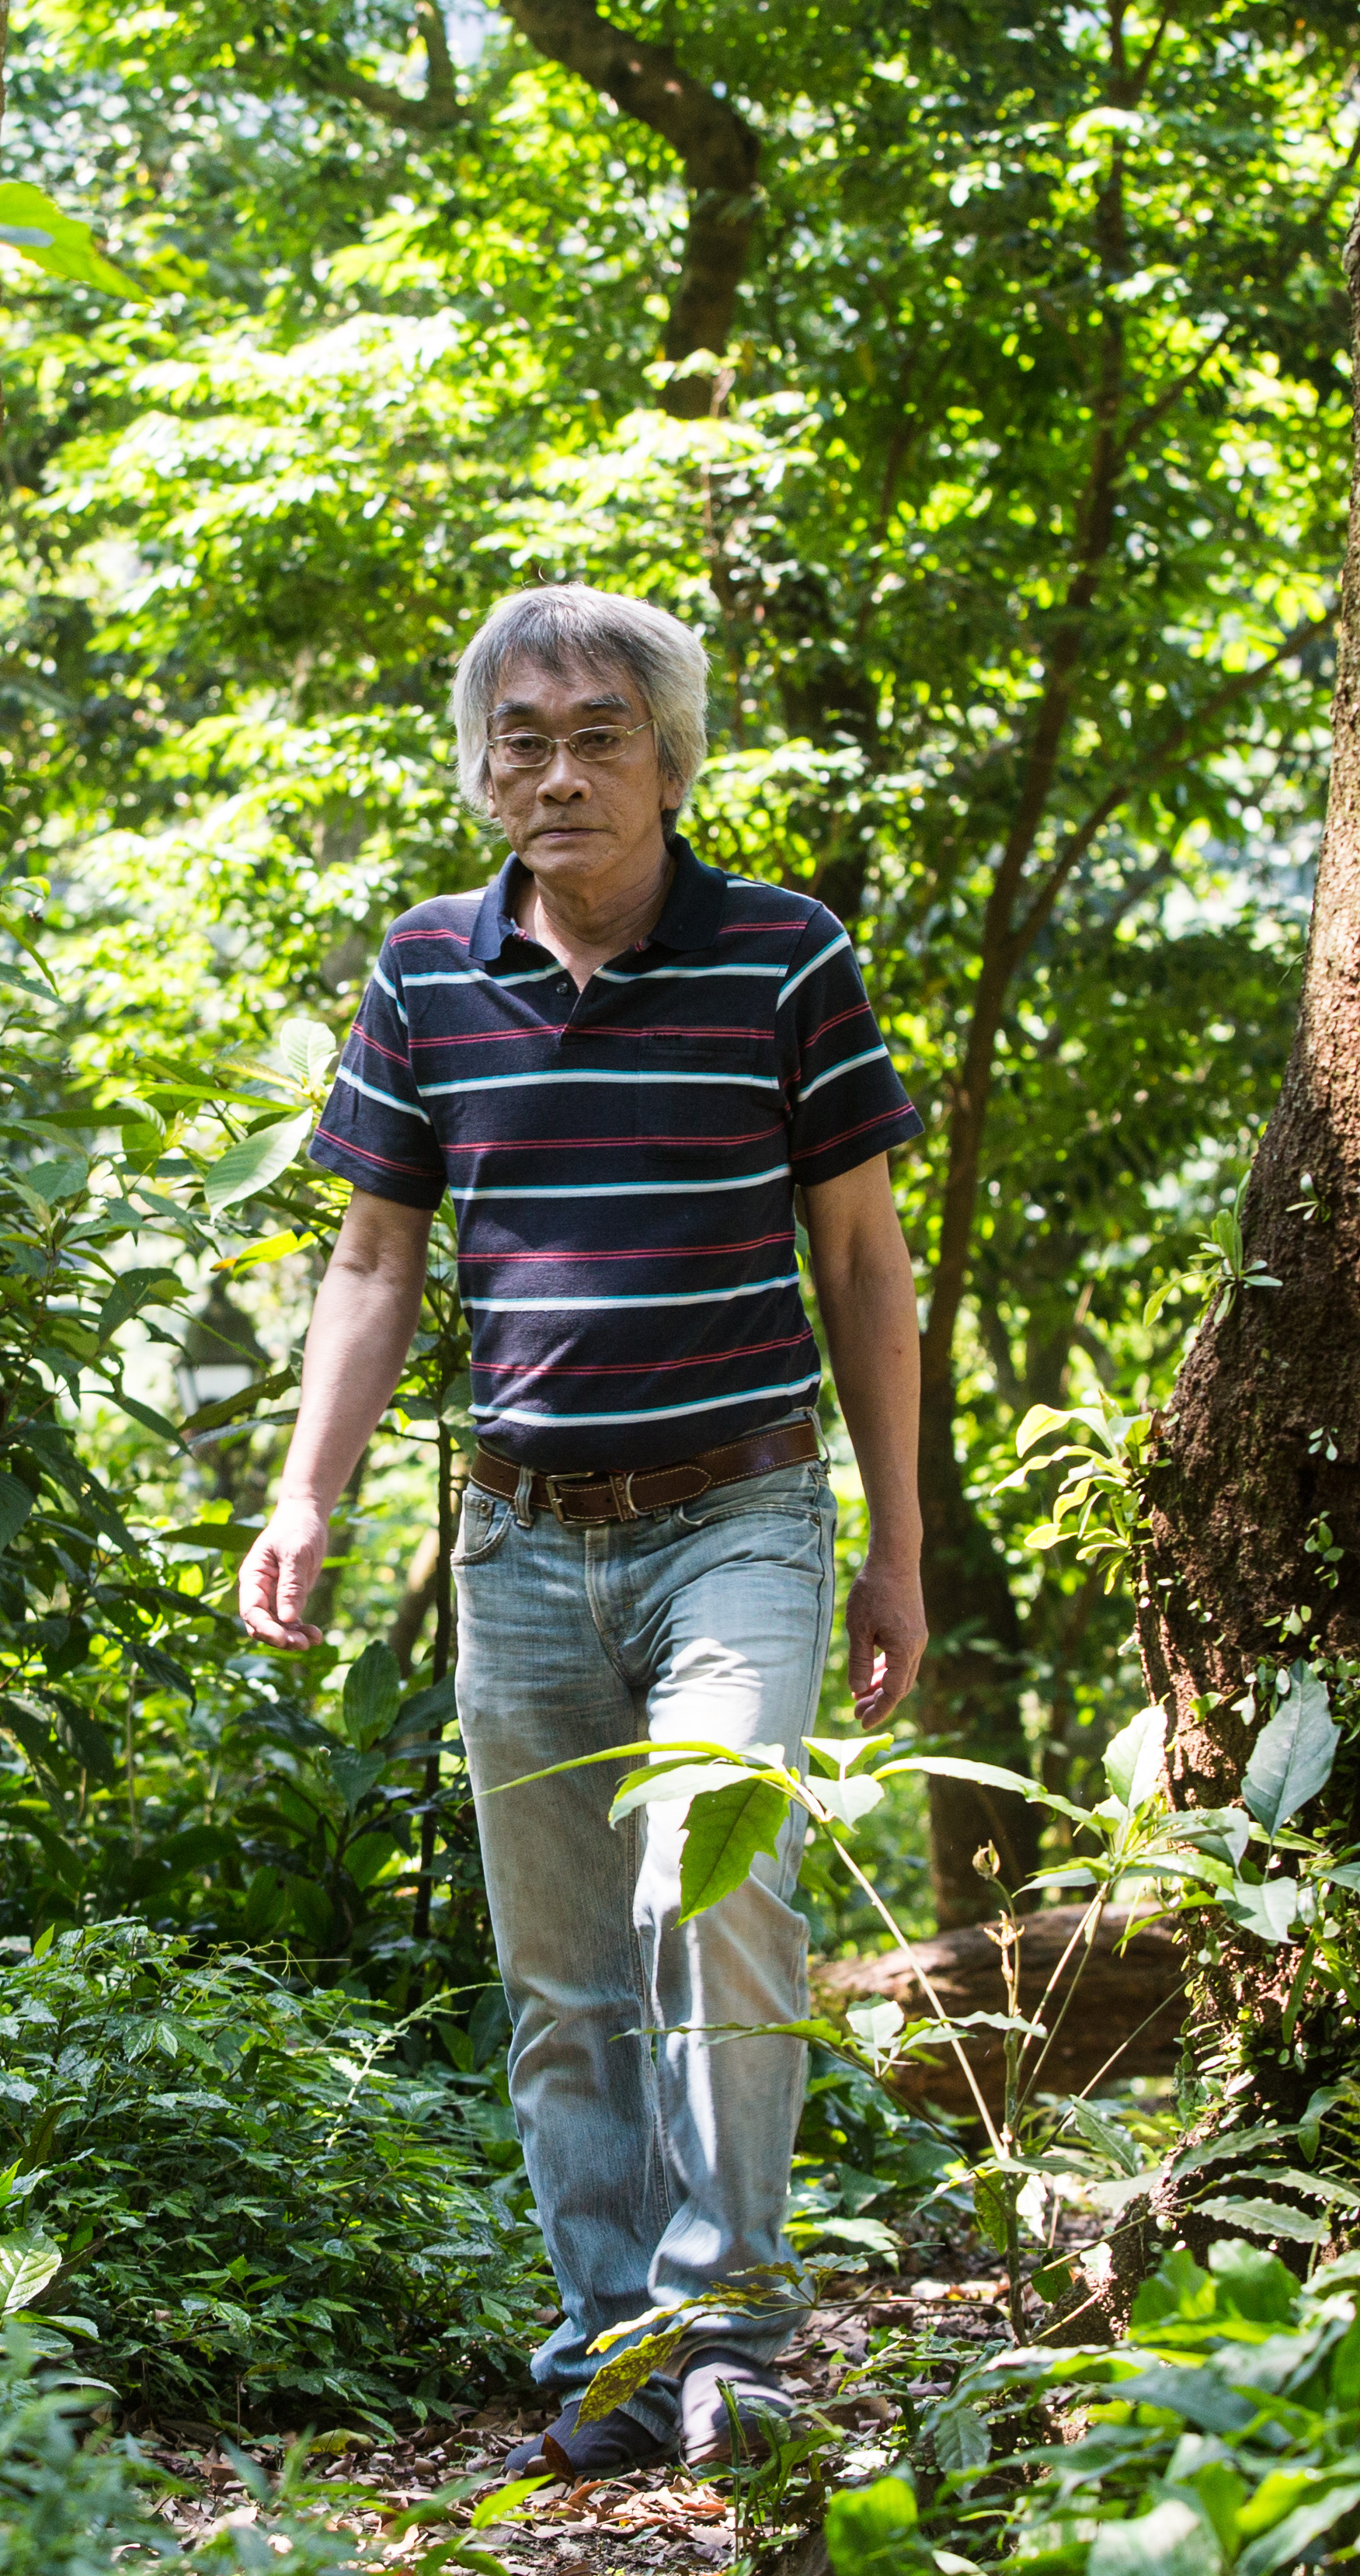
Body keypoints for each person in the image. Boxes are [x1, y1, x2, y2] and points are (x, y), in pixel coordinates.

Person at [237, 582, 929, 2480]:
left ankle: (732, 2335)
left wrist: (900, 1545)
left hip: (744, 1518)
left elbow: (864, 1261)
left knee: (709, 1902)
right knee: (559, 1980)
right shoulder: (423, 971)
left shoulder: (786, 958)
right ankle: (610, 2348)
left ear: (672, 761)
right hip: (521, 1540)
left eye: (597, 735)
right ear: (479, 766)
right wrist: (307, 1494)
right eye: (520, 739)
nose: (556, 772)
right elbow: (374, 1259)